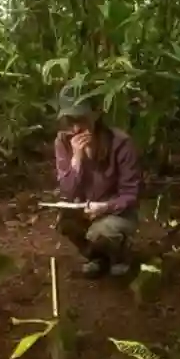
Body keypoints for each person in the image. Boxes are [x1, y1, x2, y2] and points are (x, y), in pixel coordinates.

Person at [52, 84, 142, 278]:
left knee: (102, 231)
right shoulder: (63, 141)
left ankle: (120, 255)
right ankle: (96, 257)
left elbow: (131, 195)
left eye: (81, 120)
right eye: (70, 121)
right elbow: (68, 192)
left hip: (117, 212)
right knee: (65, 222)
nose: (76, 129)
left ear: (95, 115)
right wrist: (76, 159)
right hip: (84, 209)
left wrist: (104, 207)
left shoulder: (120, 143)